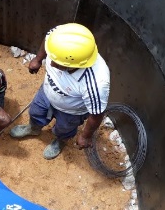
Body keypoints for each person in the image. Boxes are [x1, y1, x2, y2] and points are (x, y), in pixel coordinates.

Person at [10, 23, 110, 159]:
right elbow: (47, 39)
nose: (51, 63)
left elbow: (97, 114)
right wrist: (38, 59)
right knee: (35, 112)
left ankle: (60, 141)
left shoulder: (96, 82)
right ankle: (33, 129)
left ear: (73, 64)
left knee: (64, 129)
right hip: (47, 92)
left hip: (71, 111)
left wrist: (86, 136)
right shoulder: (59, 39)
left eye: (58, 63)